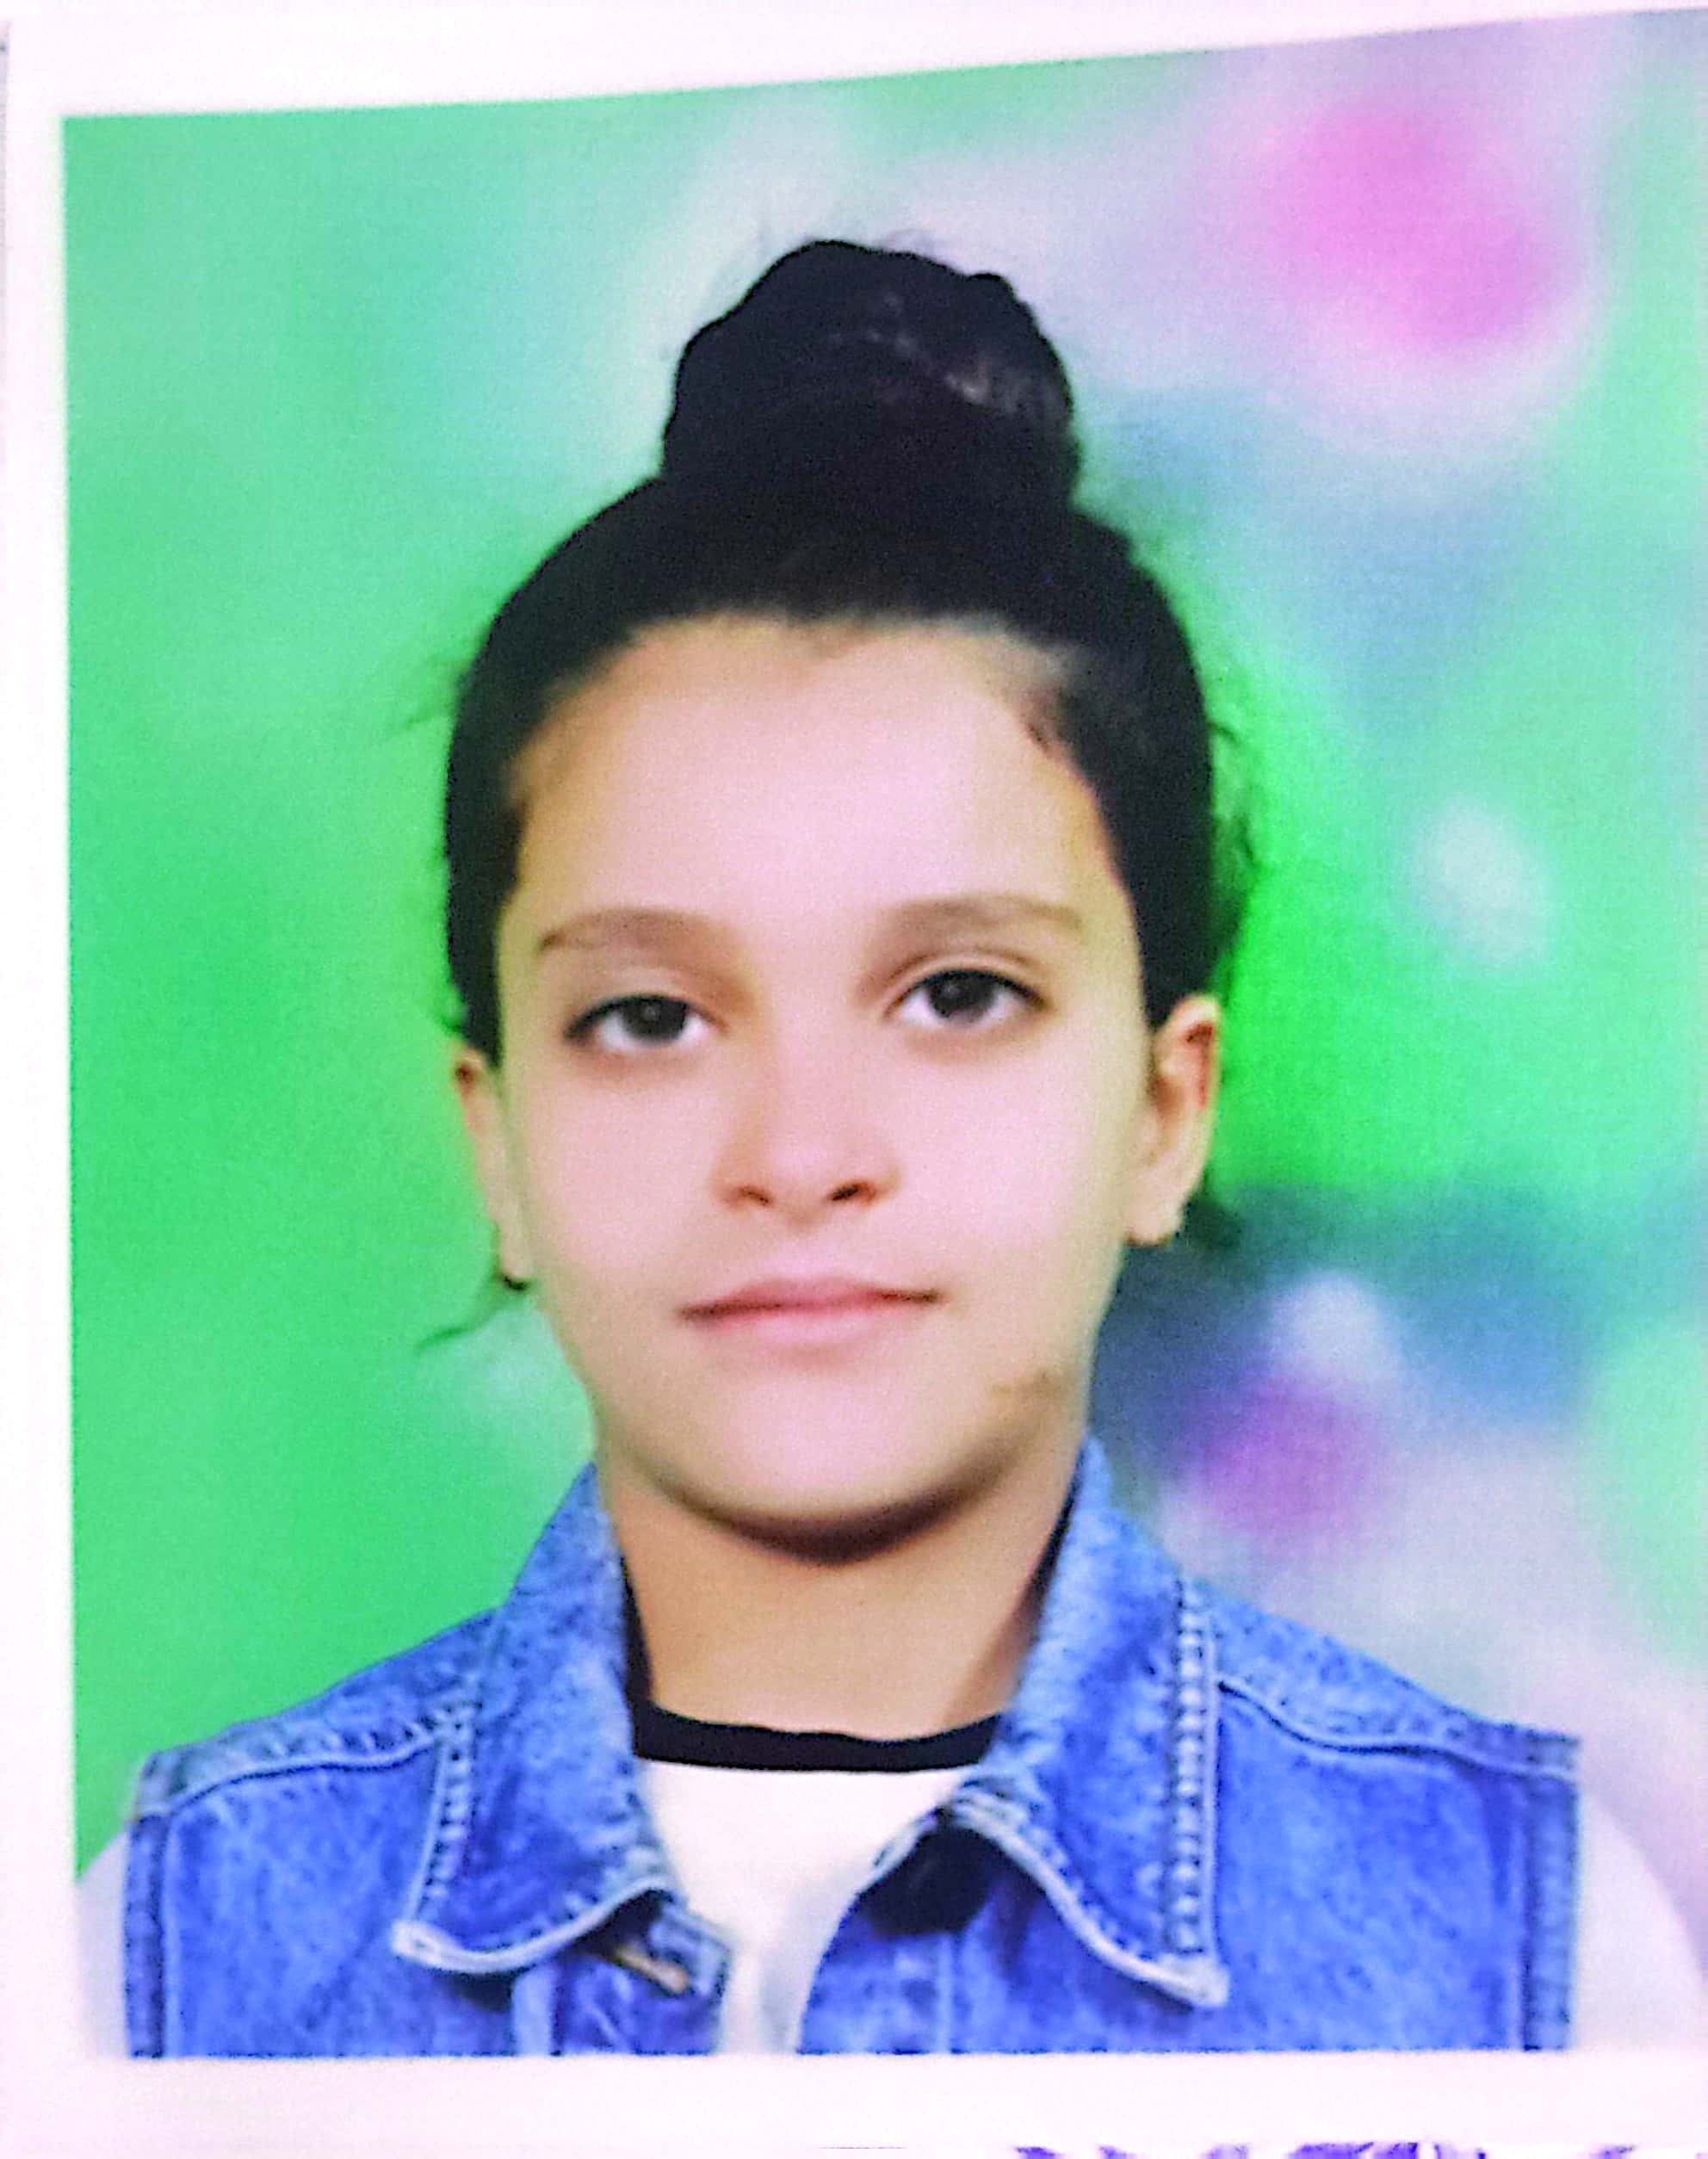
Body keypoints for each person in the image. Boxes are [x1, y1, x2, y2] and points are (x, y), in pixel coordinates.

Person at [81, 241, 1703, 2057]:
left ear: (1164, 1111)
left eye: (956, 995)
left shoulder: (1523, 1952)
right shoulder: (163, 1960)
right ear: (500, 1138)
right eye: (650, 1017)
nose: (799, 1154)